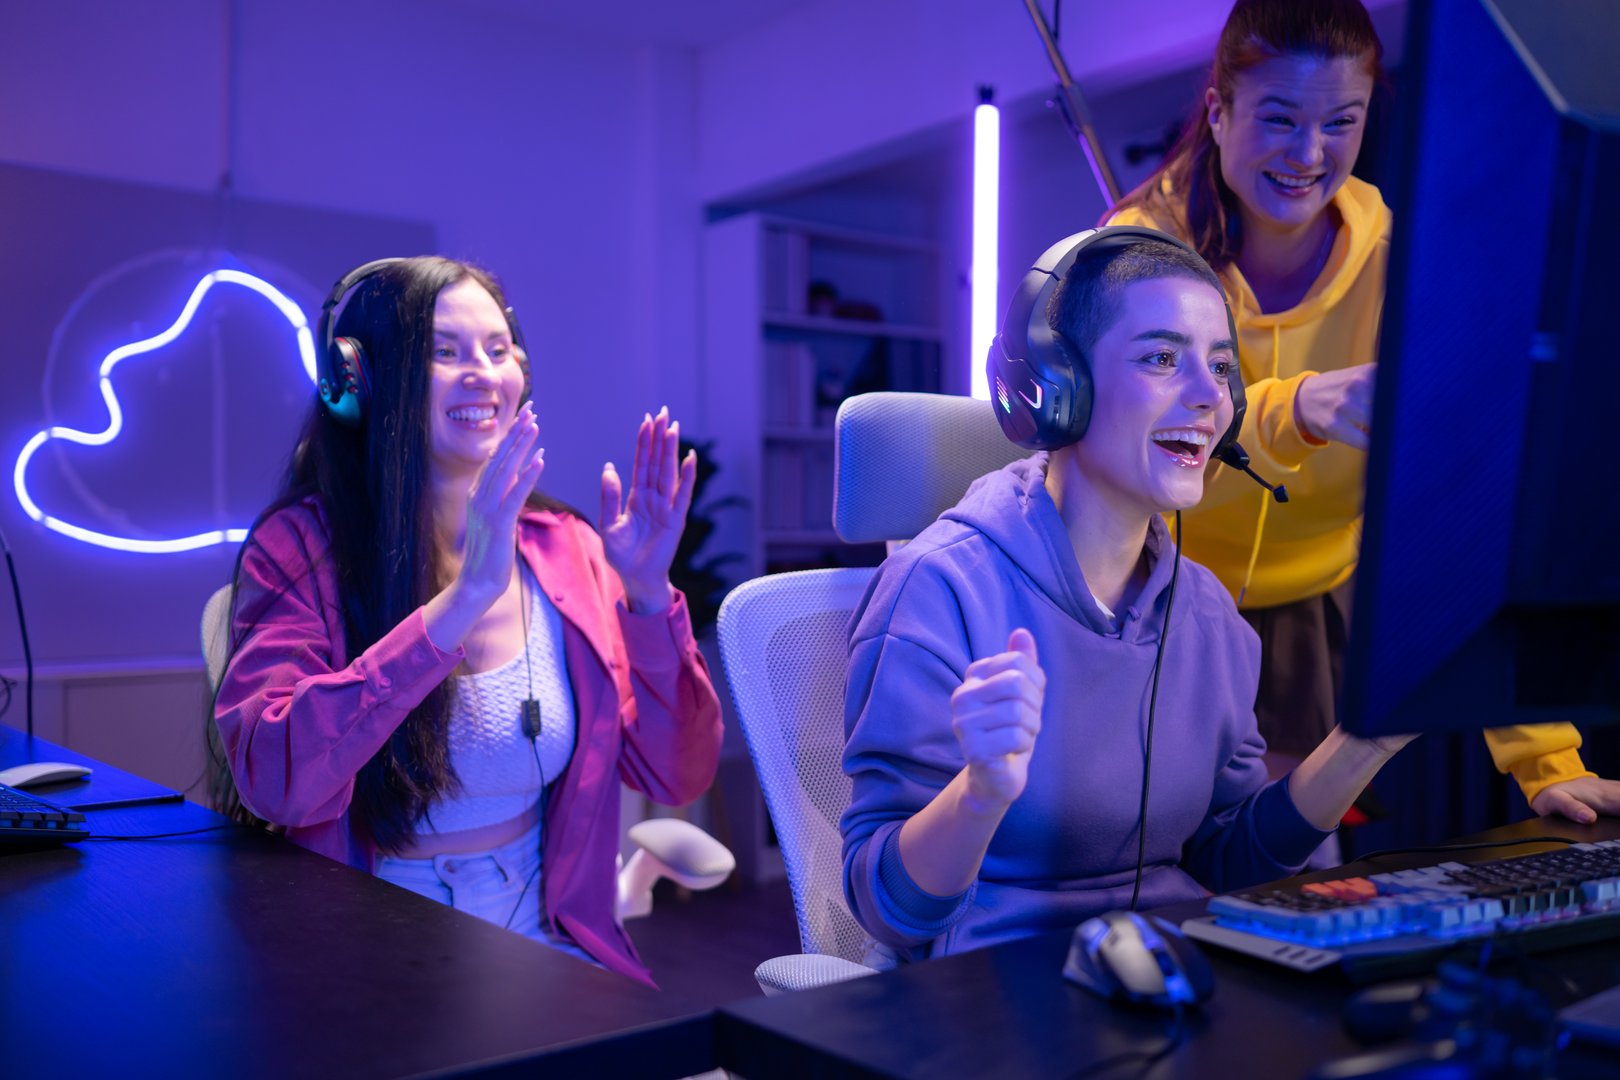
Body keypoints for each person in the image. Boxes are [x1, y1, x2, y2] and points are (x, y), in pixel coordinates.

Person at [1107, 0, 1620, 824]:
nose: (1308, 155)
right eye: (1278, 118)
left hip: (1315, 629)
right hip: (1151, 612)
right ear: (1218, 109)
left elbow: (1459, 519)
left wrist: (1545, 763)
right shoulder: (1135, 254)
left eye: (1340, 123)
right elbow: (1137, 443)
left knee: (1294, 887)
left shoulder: (1407, 263)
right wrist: (1296, 409)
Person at [841, 232, 1411, 961]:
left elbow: (1220, 862)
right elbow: (886, 911)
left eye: (1222, 367)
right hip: (991, 1001)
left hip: (1172, 982)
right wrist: (980, 793)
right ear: (1058, 386)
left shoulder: (1207, 617)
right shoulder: (940, 589)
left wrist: (1363, 742)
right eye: (1161, 358)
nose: (1210, 398)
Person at [212, 256, 722, 987]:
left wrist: (646, 593)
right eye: (443, 353)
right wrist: (462, 600)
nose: (482, 374)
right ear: (362, 382)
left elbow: (679, 773)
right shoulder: (299, 550)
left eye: (496, 349)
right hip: (366, 960)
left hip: (548, 942)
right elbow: (276, 777)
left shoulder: (568, 548)